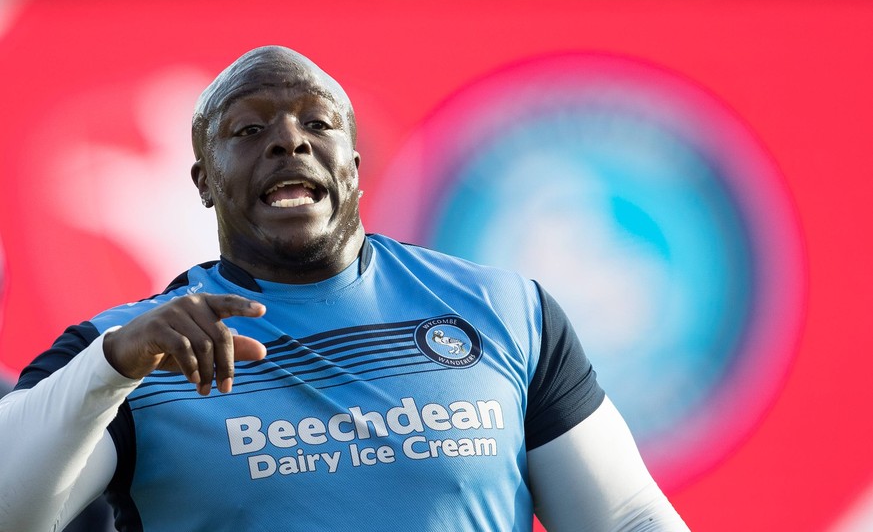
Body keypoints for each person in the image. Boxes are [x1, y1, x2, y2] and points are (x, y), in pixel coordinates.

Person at [0, 46, 690, 531]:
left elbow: (624, 515)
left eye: (317, 123)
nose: (288, 141)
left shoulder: (507, 312)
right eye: (248, 129)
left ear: (354, 168)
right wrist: (112, 366)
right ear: (203, 182)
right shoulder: (128, 352)